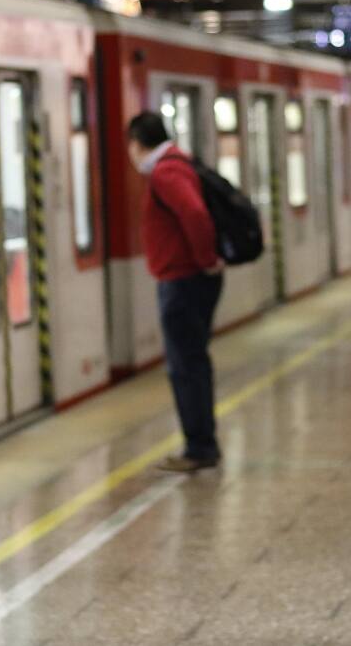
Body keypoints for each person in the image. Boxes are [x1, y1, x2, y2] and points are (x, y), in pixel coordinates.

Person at [127, 112, 225, 472]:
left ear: (137, 143)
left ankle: (199, 447)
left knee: (186, 365)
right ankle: (201, 443)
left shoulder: (166, 172)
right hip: (188, 278)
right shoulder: (178, 163)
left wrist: (204, 259)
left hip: (184, 281)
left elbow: (195, 214)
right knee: (191, 362)